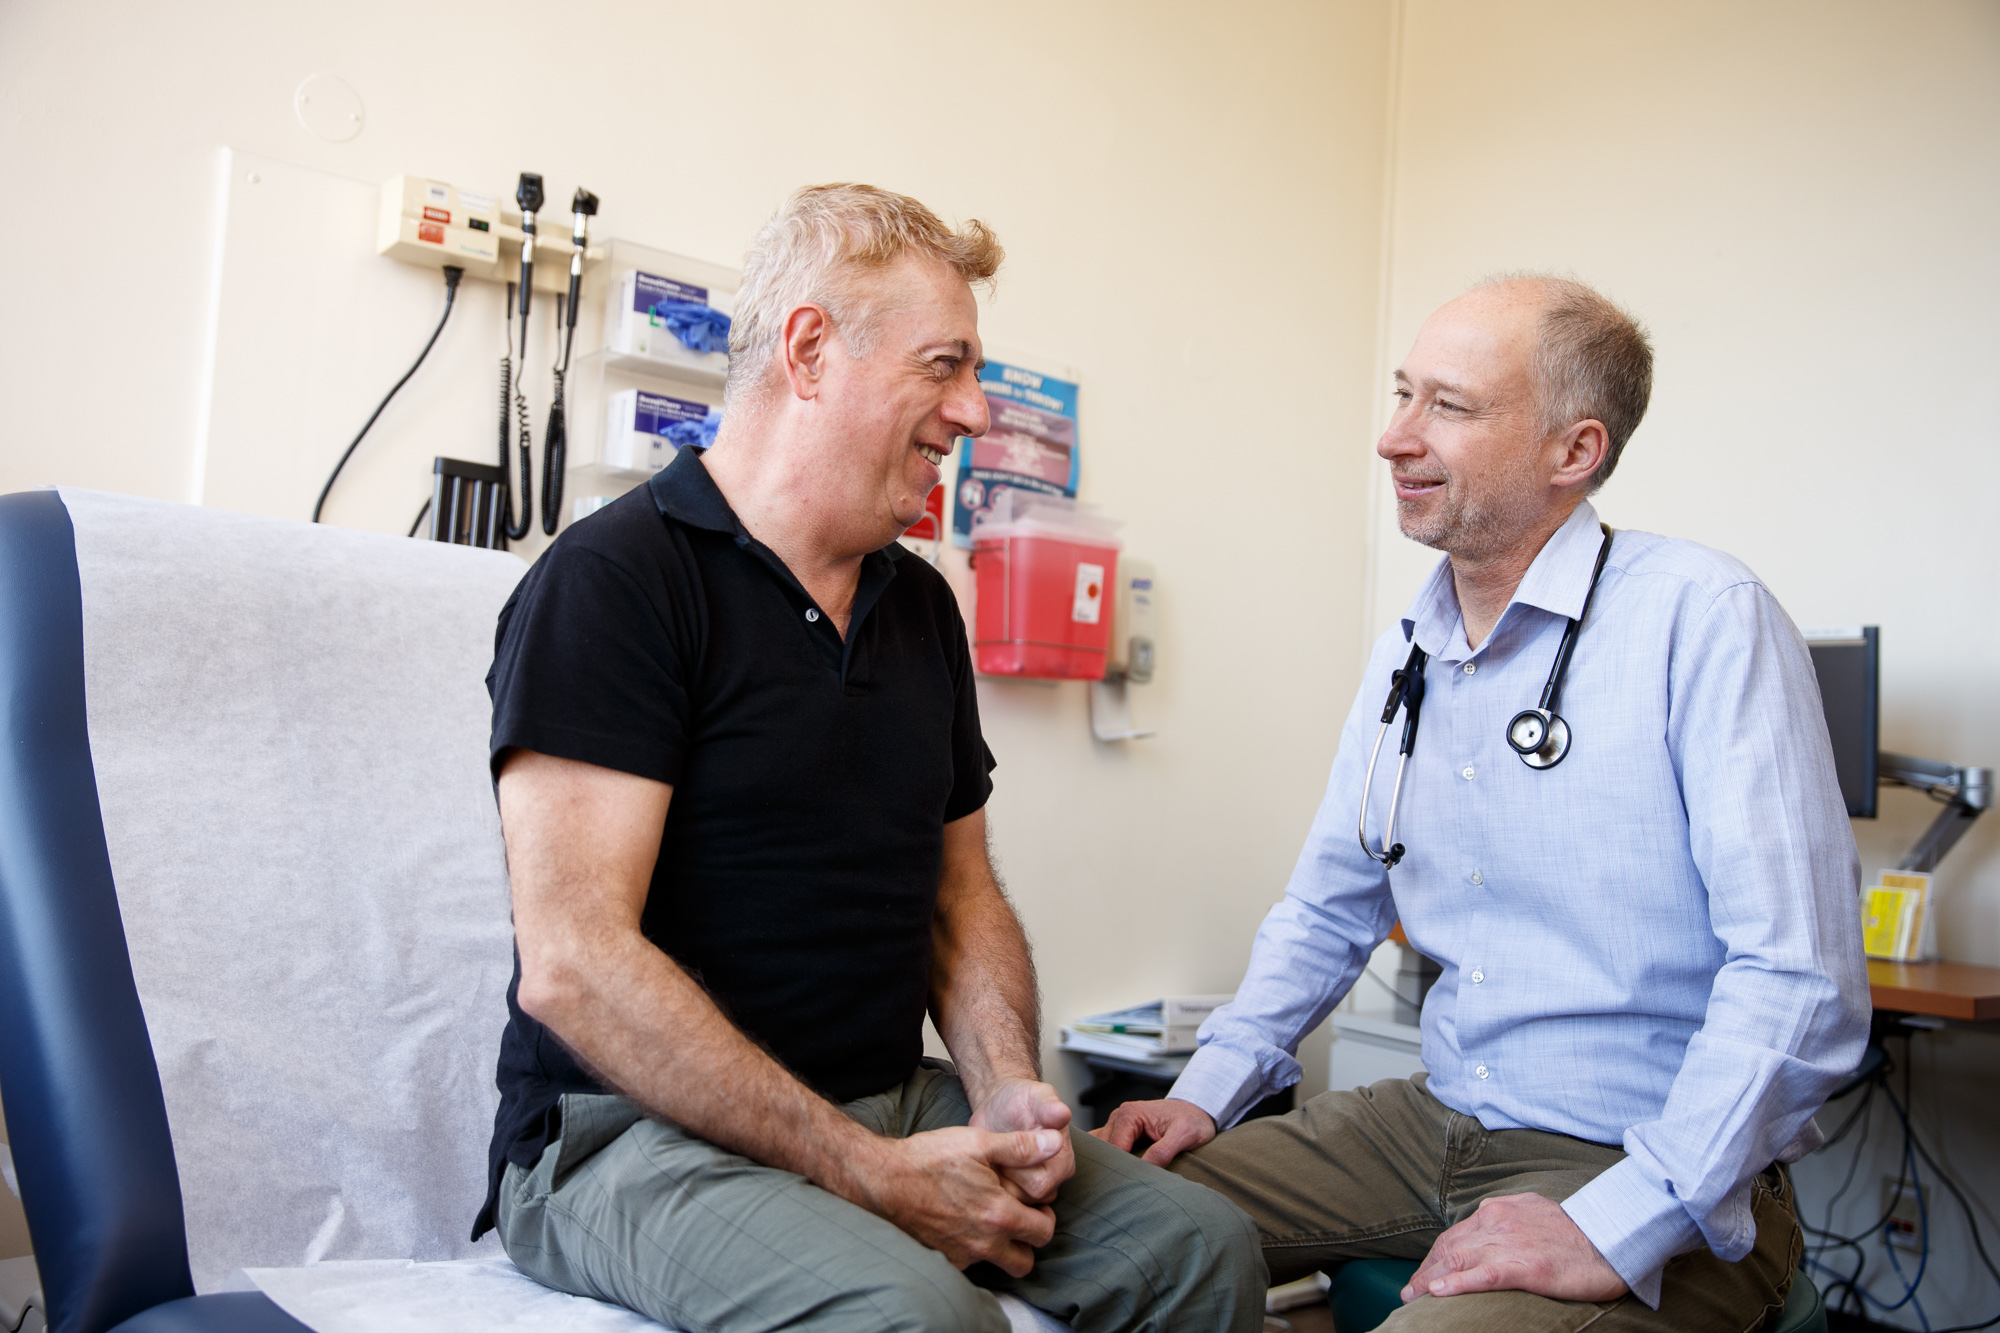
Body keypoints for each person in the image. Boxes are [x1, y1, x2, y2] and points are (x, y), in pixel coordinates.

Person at [470, 183, 1265, 1333]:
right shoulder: (616, 583)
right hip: (623, 1132)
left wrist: (1003, 1091)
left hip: (882, 1096)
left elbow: (959, 896)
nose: (975, 411)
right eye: (943, 366)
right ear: (808, 351)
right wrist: (866, 1171)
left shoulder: (920, 606)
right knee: (919, 1316)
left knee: (1201, 1247)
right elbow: (574, 962)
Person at [1094, 276, 1870, 1330]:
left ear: (1572, 451)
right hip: (1431, 1119)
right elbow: (1331, 906)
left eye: (1445, 408)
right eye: (1402, 393)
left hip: (1638, 1152)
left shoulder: (1702, 618)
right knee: (1083, 1225)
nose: (1391, 436)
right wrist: (1205, 1091)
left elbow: (1798, 982)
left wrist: (1618, 1220)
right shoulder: (1407, 650)